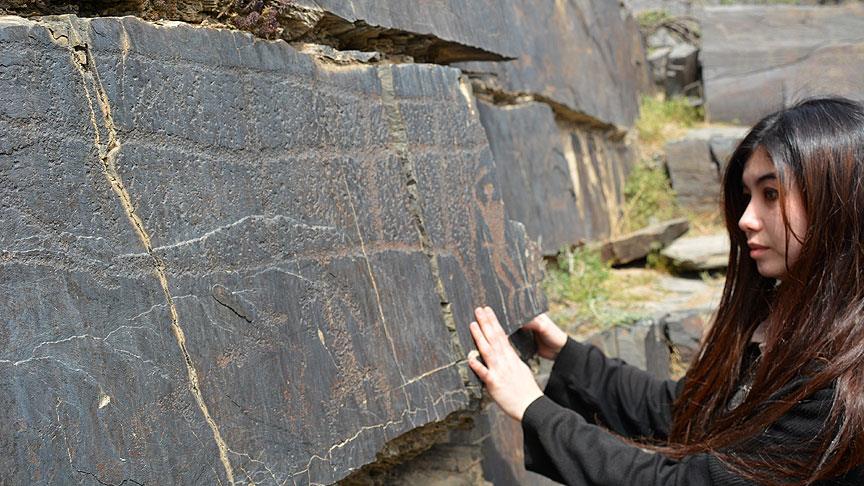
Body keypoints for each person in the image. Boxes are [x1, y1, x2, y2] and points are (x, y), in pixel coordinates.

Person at [467, 97, 864, 485]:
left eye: (771, 194)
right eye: (747, 196)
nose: (745, 219)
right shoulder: (790, 322)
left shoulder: (840, 388)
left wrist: (533, 408)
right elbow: (687, 411)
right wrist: (568, 353)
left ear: (838, 200)